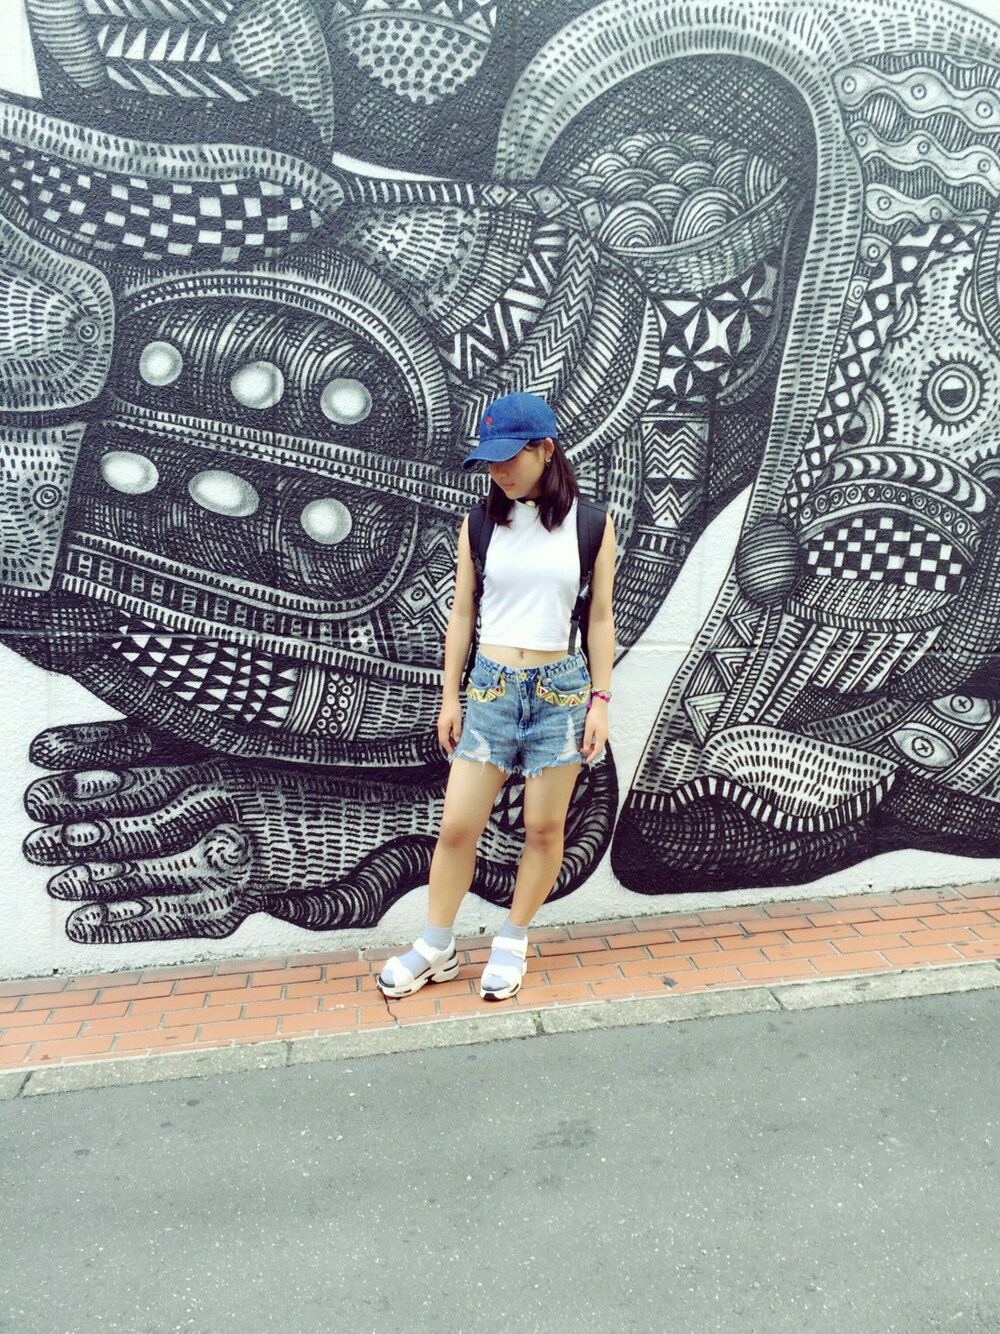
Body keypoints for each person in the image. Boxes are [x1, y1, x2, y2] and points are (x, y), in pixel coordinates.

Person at [376, 392, 616, 1001]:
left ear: (546, 450)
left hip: (561, 693)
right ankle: (436, 945)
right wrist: (449, 696)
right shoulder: (481, 523)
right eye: (489, 460)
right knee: (458, 826)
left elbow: (599, 619)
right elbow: (462, 613)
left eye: (510, 457)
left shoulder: (591, 524)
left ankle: (513, 938)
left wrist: (601, 700)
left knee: (543, 828)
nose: (498, 471)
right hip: (490, 689)